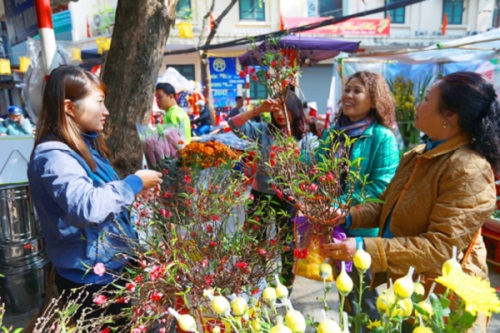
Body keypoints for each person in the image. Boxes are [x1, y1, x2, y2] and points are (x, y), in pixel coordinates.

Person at [323, 71, 500, 333]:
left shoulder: (468, 169)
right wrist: (347, 215)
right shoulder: (418, 154)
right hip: (410, 287)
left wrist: (364, 245)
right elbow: (385, 204)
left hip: (443, 301)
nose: (418, 105)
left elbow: (440, 248)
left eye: (427, 99)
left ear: (448, 117)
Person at [27, 65, 163, 325]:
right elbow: (86, 207)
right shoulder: (54, 156)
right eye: (99, 103)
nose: (106, 111)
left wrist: (135, 193)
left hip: (111, 268)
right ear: (69, 107)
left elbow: (100, 196)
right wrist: (133, 183)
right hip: (89, 280)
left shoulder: (85, 147)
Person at [316, 71, 400, 328]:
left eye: (357, 91)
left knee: (367, 299)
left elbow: (381, 187)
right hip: (333, 226)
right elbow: (318, 174)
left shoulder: (381, 137)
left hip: (364, 232)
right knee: (346, 295)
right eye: (347, 89)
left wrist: (340, 204)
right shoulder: (332, 135)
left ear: (374, 100)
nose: (349, 95)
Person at [228, 88, 309, 291]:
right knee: (255, 238)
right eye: (276, 109)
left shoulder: (303, 137)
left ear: (295, 110)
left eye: (285, 109)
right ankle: (258, 280)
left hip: (288, 197)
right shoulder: (263, 130)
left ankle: (286, 284)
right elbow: (233, 125)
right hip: (261, 192)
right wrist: (258, 109)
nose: (280, 114)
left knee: (287, 241)